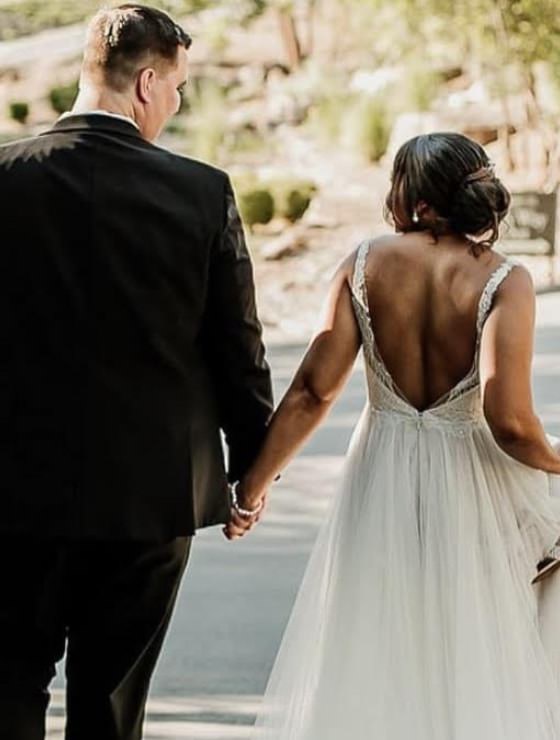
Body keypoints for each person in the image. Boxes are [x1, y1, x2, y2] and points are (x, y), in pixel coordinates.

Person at [228, 133, 560, 739]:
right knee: (471, 649)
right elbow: (510, 422)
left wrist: (252, 486)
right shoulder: (504, 280)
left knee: (377, 642)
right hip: (472, 490)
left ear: (418, 201)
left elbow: (312, 391)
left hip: (380, 477)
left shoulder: (364, 264)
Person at [0, 5, 272, 739]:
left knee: (6, 687)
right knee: (111, 705)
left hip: (13, 494)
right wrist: (254, 467)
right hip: (149, 498)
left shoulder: (6, 178)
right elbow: (237, 348)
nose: (177, 102)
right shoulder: (201, 192)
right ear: (147, 82)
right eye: (178, 87)